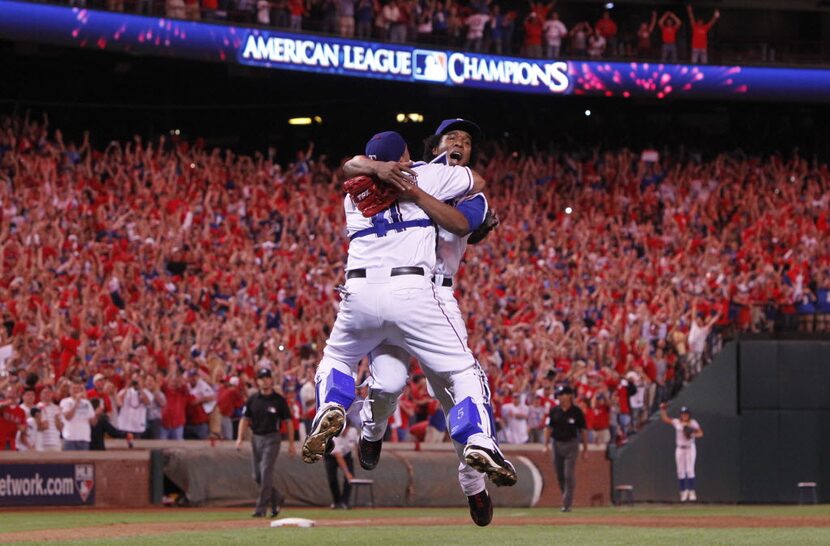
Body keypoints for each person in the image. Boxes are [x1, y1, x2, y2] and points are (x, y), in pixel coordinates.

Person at [341, 120, 507, 526]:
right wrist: (383, 171)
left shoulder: (471, 195)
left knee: (456, 397)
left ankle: (472, 482)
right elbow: (352, 164)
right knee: (387, 383)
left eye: (467, 142)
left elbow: (460, 223)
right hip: (391, 284)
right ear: (435, 144)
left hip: (437, 294)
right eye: (453, 138)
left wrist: (411, 191)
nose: (460, 145)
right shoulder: (405, 168)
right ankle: (371, 428)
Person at [236, 368, 296, 518]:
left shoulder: (279, 400)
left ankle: (261, 508)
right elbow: (244, 419)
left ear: (271, 379)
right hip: (255, 438)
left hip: (272, 438)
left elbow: (288, 422)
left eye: (267, 377)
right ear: (257, 381)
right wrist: (239, 438)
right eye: (261, 378)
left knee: (265, 471)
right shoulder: (253, 399)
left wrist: (291, 443)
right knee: (257, 475)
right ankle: (276, 497)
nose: (264, 380)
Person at [543, 385, 588, 512]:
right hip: (557, 444)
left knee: (569, 474)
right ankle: (566, 497)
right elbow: (549, 428)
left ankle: (567, 503)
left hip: (572, 444)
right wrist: (545, 445)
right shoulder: (554, 411)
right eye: (559, 395)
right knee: (560, 475)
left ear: (569, 396)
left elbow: (583, 430)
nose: (560, 397)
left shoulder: (576, 412)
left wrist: (585, 449)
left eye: (562, 394)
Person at [660, 404, 703, 502]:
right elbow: (665, 419)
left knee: (689, 469)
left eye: (686, 414)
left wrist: (692, 434)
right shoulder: (677, 422)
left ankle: (692, 491)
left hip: (690, 448)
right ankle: (683, 491)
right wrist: (662, 409)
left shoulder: (693, 423)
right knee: (680, 471)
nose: (684, 415)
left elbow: (701, 433)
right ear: (680, 415)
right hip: (679, 448)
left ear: (689, 415)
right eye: (683, 414)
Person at [324, 419, 358, 509]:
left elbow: (357, 444)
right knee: (332, 479)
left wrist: (359, 458)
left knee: (350, 479)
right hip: (331, 455)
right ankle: (337, 501)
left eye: (346, 428)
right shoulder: (334, 435)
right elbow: (338, 456)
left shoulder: (353, 432)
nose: (345, 431)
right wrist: (346, 473)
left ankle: (345, 502)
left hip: (347, 454)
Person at [59, 380, 97, 451]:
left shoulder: (87, 403)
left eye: (78, 388)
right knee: (69, 461)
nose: (76, 390)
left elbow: (93, 423)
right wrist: (76, 402)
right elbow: (68, 417)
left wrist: (97, 414)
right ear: (69, 391)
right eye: (74, 388)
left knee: (83, 462)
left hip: (84, 438)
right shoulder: (65, 402)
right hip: (70, 438)